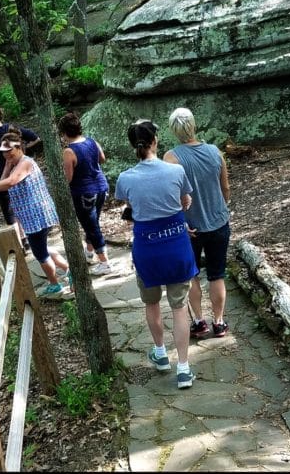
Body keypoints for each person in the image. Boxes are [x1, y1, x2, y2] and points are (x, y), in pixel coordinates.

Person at [115, 119, 198, 389]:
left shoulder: (126, 178)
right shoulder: (176, 171)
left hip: (147, 248)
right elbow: (185, 202)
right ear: (155, 141)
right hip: (176, 245)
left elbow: (129, 209)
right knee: (179, 307)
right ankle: (184, 369)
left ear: (133, 145)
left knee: (151, 303)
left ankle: (161, 353)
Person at [0, 130, 71, 299]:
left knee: (40, 254)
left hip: (37, 214)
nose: (7, 155)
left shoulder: (25, 163)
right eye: (4, 152)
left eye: (10, 151)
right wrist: (7, 165)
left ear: (19, 147)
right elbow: (3, 180)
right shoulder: (15, 164)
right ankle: (68, 270)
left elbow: (11, 182)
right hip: (32, 216)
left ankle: (55, 284)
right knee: (41, 248)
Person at [164, 107, 232, 339]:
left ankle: (199, 321)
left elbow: (171, 197)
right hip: (219, 224)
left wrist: (180, 221)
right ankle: (220, 322)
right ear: (194, 125)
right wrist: (220, 209)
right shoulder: (215, 152)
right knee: (217, 274)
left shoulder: (171, 158)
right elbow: (225, 188)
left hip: (189, 229)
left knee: (191, 275)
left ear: (173, 131)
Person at [58, 112, 115, 275]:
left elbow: (68, 178)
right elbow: (102, 158)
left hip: (84, 193)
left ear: (64, 133)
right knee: (93, 222)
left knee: (91, 226)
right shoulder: (92, 141)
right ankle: (89, 252)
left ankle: (104, 262)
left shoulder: (69, 151)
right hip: (101, 187)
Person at [0, 104, 40, 226]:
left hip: (0, 176)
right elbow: (35, 138)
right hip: (20, 171)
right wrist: (22, 149)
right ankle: (29, 229)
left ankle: (20, 238)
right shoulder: (11, 128)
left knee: (8, 209)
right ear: (1, 117)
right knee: (24, 202)